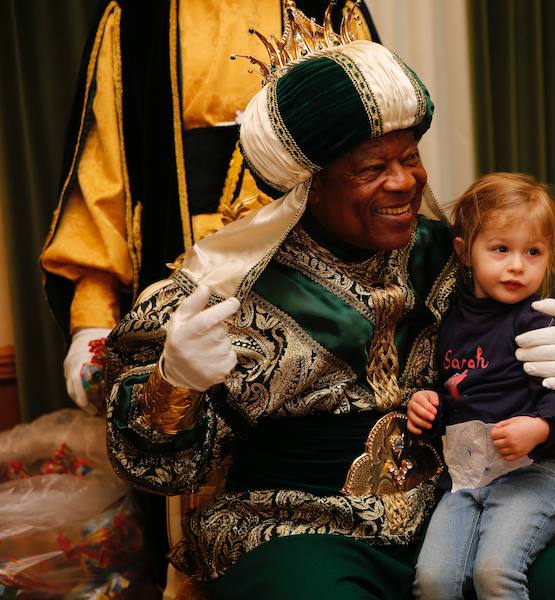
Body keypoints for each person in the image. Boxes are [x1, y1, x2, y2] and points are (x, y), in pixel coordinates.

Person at [103, 8, 555, 598]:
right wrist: (173, 383)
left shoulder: (455, 254)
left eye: (410, 157)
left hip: (448, 506)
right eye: (371, 167)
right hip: (291, 527)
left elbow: (529, 378)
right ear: (306, 187)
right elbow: (160, 469)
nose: (404, 182)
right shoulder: (217, 292)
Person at [40, 0, 379, 414]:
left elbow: (376, 158)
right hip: (180, 271)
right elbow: (104, 179)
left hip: (315, 285)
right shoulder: (135, 19)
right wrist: (91, 320)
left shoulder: (327, 6)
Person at [407, 173, 555, 599]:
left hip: (535, 470)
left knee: (495, 574)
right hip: (467, 475)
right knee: (434, 583)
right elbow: (455, 398)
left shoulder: (541, 321)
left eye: (533, 252)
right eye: (501, 249)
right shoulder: (447, 320)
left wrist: (539, 427)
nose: (517, 265)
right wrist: (428, 406)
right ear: (464, 252)